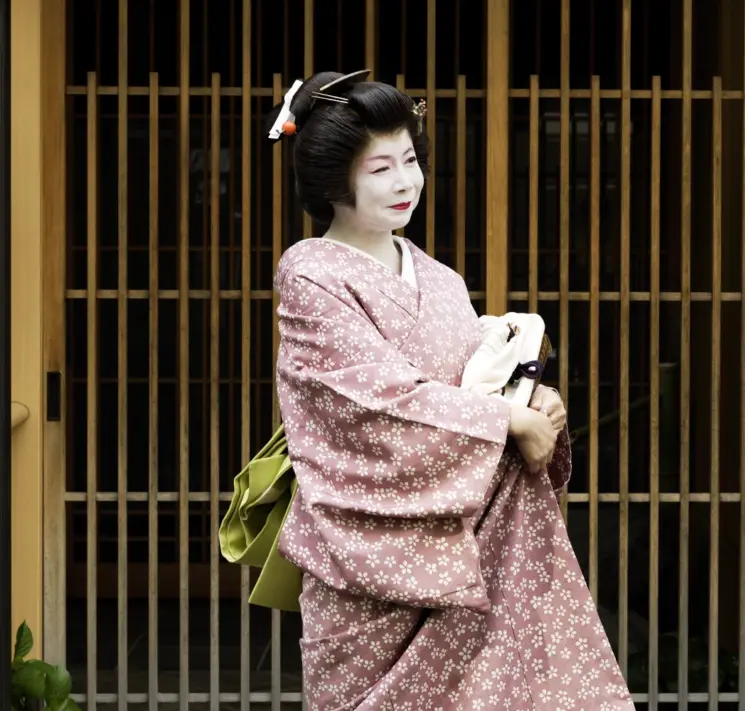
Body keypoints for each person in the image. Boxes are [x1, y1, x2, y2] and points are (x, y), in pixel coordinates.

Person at [268, 69, 633, 710]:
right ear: (333, 181)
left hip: (471, 545)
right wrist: (505, 423)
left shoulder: (439, 279)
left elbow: (479, 387)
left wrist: (533, 405)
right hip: (368, 568)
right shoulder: (310, 272)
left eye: (410, 159)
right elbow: (374, 399)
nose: (405, 182)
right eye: (380, 168)